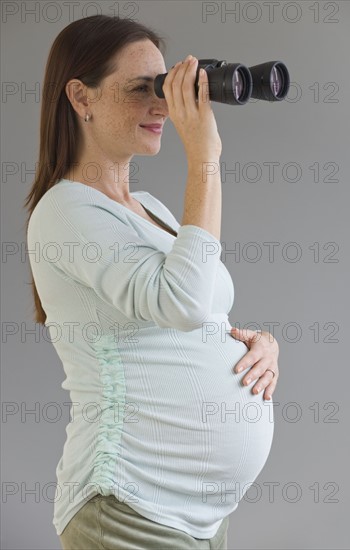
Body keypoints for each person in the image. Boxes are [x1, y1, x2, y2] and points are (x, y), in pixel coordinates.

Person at [25, 15, 280, 550]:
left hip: (197, 517)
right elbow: (181, 304)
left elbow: (200, 312)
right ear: (81, 97)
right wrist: (205, 157)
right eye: (142, 89)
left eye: (165, 87)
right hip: (128, 505)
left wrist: (261, 346)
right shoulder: (65, 211)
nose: (162, 105)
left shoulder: (154, 210)